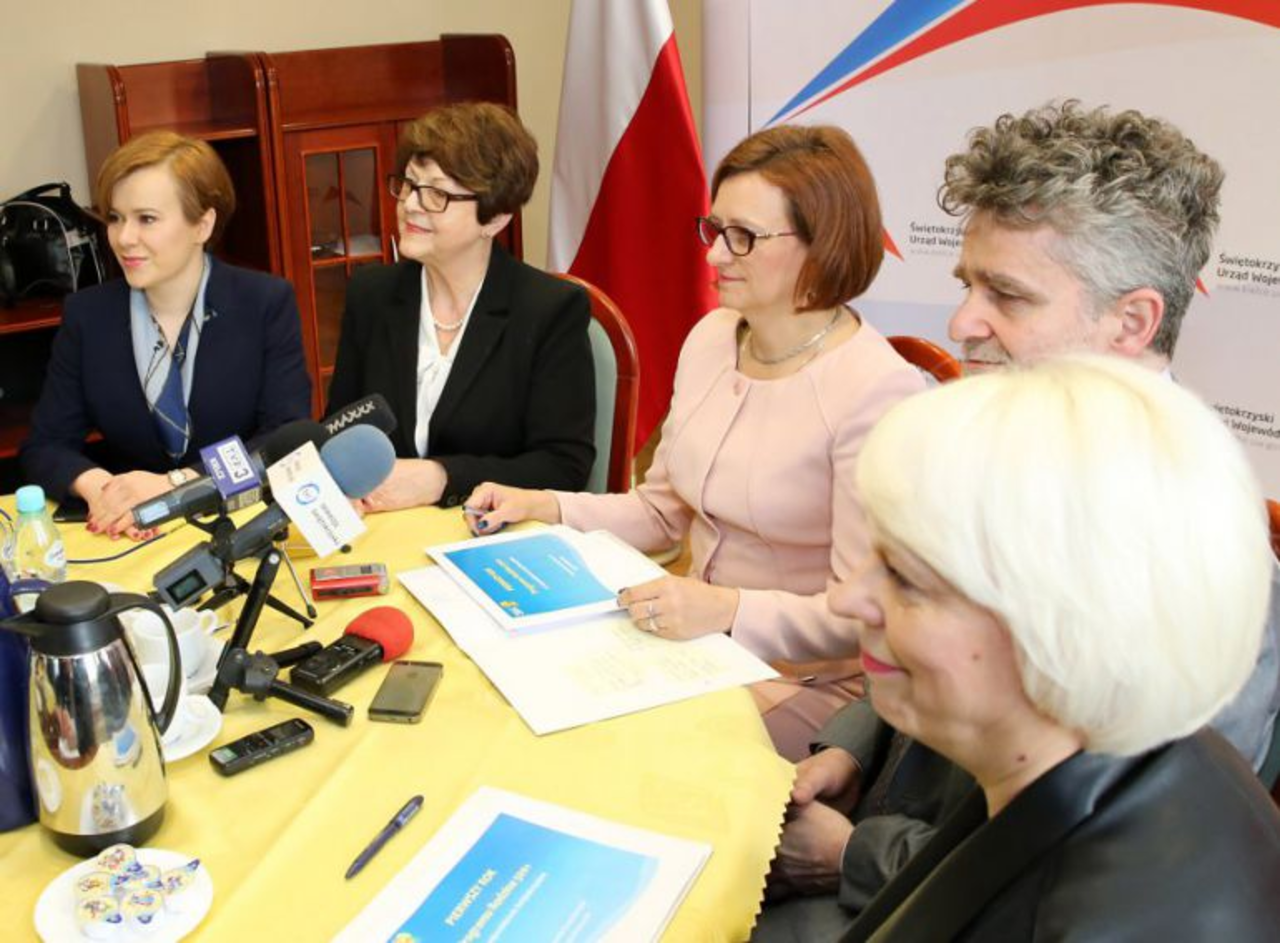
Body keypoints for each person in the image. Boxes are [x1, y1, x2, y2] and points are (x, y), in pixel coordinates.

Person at [760, 100, 1280, 937]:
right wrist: (853, 745)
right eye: (967, 283)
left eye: (1005, 293)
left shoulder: (1203, 563)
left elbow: (1096, 848)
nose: (962, 322)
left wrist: (852, 850)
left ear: (1133, 320)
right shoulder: (1001, 457)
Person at [465, 125, 925, 758]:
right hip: (693, 647)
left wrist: (726, 610)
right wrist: (544, 505)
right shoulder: (712, 337)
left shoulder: (876, 392)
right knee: (509, 694)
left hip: (807, 685)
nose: (714, 257)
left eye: (744, 237)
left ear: (822, 245)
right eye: (714, 230)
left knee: (599, 752)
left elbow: (862, 617)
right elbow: (662, 514)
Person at [841, 358, 1279, 939]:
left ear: (1065, 626)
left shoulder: (1082, 919)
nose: (845, 598)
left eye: (905, 578)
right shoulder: (1139, 751)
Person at [20, 131, 311, 539]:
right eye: (115, 218)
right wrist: (106, 489)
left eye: (147, 219)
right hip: (130, 531)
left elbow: (284, 439)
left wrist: (176, 486)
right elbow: (46, 445)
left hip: (238, 524)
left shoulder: (263, 302)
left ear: (202, 225)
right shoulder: (88, 315)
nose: (124, 238)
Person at [325, 102, 596, 511]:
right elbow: (340, 431)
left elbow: (563, 467)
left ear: (495, 218)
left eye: (437, 193)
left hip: (489, 531)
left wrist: (442, 478)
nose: (411, 204)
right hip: (385, 527)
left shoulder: (549, 310)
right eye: (409, 185)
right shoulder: (372, 295)